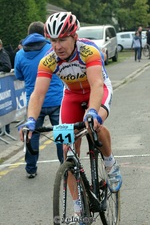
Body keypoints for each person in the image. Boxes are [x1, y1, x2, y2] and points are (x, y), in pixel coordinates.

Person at [18, 11, 122, 213]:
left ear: (74, 37)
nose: (57, 46)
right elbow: (37, 95)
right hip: (72, 97)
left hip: (97, 90)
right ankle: (78, 207)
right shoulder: (48, 60)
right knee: (67, 150)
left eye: (62, 40)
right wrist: (30, 119)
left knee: (95, 124)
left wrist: (92, 111)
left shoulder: (89, 51)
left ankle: (110, 164)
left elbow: (97, 84)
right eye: (53, 40)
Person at [15, 21, 64, 178]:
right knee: (60, 134)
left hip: (35, 102)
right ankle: (66, 167)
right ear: (45, 34)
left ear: (28, 33)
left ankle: (31, 169)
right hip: (56, 99)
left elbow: (18, 75)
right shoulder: (52, 49)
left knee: (32, 135)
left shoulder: (20, 54)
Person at [0, 39, 12, 134]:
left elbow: (7, 67)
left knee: (4, 106)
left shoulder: (3, 54)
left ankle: (6, 129)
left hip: (3, 84)